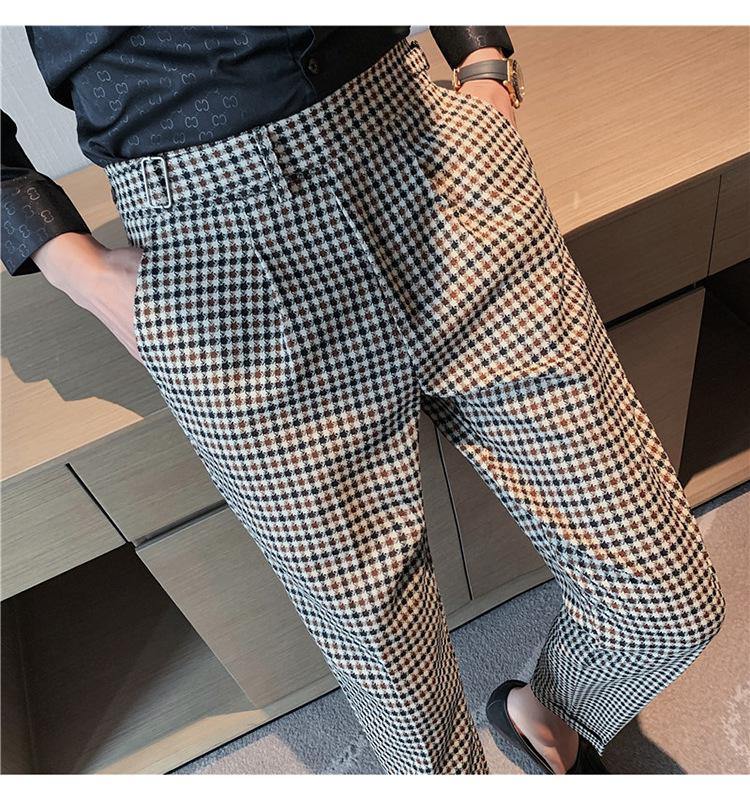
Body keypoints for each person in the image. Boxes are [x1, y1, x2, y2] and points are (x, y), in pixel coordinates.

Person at [1, 26, 726, 775]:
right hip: (215, 252)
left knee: (668, 605)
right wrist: (71, 264)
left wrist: (486, 59)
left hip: (428, 161)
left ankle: (550, 713)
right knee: (402, 701)